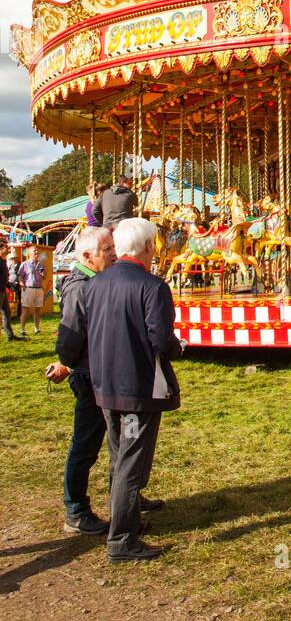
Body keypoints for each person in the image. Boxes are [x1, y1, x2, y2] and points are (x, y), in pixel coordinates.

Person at [84, 217, 182, 562]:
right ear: (147, 247)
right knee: (131, 462)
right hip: (137, 387)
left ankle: (126, 520)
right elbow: (160, 337)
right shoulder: (152, 286)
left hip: (105, 384)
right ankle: (122, 539)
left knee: (118, 456)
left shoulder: (95, 284)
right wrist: (176, 348)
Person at [46, 226, 117, 533]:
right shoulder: (79, 287)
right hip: (89, 374)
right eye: (107, 250)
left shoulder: (96, 280)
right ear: (88, 256)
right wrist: (65, 362)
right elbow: (70, 334)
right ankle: (75, 509)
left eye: (114, 248)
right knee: (86, 443)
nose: (113, 254)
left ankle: (124, 497)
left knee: (118, 440)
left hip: (103, 370)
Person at [18, 244, 46, 335]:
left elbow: (44, 276)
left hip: (39, 289)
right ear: (29, 253)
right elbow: (20, 276)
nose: (37, 252)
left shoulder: (41, 264)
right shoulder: (25, 264)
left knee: (37, 309)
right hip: (29, 289)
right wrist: (22, 285)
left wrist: (44, 272)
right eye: (35, 251)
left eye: (37, 251)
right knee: (26, 309)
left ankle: (36, 329)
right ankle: (22, 329)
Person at [0, 241, 22, 341]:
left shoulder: (3, 261)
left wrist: (9, 285)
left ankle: (10, 336)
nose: (8, 249)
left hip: (3, 291)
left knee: (7, 313)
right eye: (6, 247)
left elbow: (4, 277)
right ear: (1, 249)